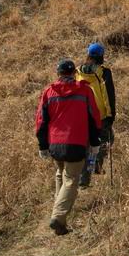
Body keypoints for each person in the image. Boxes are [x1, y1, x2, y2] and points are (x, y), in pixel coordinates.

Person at [35, 58, 102, 235]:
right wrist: (95, 142)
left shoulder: (48, 92)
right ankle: (58, 217)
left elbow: (41, 121)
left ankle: (59, 221)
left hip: (55, 144)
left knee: (60, 174)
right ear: (74, 73)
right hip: (76, 143)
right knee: (71, 179)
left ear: (58, 74)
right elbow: (94, 118)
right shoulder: (85, 91)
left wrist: (43, 145)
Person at [76, 43, 116, 187]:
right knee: (106, 140)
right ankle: (96, 165)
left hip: (82, 114)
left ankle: (83, 181)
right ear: (101, 56)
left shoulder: (78, 71)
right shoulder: (104, 72)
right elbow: (109, 95)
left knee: (86, 147)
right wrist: (111, 115)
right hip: (100, 115)